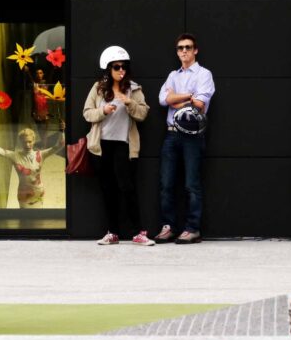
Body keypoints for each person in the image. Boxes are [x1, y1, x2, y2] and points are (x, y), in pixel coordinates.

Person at [84, 46, 154, 246]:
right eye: (116, 67)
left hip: (123, 145)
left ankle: (139, 233)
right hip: (101, 145)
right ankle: (112, 232)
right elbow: (87, 113)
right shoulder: (98, 88)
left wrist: (129, 103)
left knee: (127, 187)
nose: (121, 70)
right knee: (108, 189)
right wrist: (103, 110)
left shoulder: (134, 88)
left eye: (124, 66)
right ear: (108, 68)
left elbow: (143, 114)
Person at [155, 33, 215, 244]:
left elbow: (199, 104)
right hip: (171, 134)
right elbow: (163, 99)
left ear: (195, 50)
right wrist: (189, 96)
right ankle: (168, 227)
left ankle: (192, 228)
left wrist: (177, 99)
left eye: (188, 47)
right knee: (166, 184)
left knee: (191, 184)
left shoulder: (204, 74)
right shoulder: (173, 75)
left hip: (192, 136)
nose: (184, 51)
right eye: (180, 48)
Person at [0, 122, 65, 208]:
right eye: (24, 142)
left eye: (30, 141)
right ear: (21, 142)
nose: (27, 145)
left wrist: (61, 131)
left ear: (34, 141)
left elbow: (60, 145)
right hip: (23, 194)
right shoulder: (14, 155)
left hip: (38, 192)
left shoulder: (41, 155)